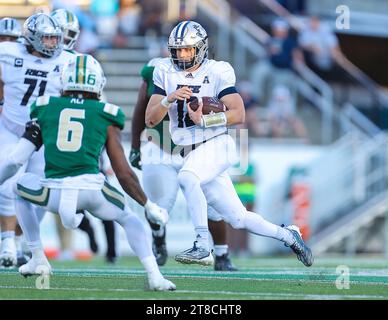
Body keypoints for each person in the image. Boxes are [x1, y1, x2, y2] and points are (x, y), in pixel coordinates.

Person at [0, 54, 175, 291]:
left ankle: (37, 256)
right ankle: (155, 276)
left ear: (64, 80)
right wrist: (148, 205)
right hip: (92, 191)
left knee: (16, 187)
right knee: (129, 219)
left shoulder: (44, 107)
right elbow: (123, 172)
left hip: (52, 194)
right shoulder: (106, 112)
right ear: (97, 83)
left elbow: (16, 160)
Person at [145, 20, 313, 267]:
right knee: (238, 218)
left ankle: (203, 244)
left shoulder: (217, 70)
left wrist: (205, 120)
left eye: (188, 49)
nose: (182, 55)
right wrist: (168, 100)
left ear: (201, 48)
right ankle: (289, 235)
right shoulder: (164, 71)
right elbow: (150, 119)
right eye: (177, 50)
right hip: (191, 152)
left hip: (216, 143)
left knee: (187, 178)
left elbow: (238, 113)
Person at [130, 57, 237, 271]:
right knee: (158, 208)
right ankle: (159, 240)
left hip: (198, 149)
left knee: (215, 207)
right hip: (161, 148)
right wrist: (135, 146)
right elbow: (141, 109)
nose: (184, 54)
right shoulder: (156, 69)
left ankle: (222, 254)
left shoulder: (215, 71)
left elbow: (231, 109)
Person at [0, 13, 74, 268]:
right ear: (31, 38)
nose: (54, 43)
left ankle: (21, 242)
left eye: (56, 38)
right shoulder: (8, 53)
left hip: (45, 135)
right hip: (10, 129)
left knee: (41, 191)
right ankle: (7, 240)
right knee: (7, 181)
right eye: (48, 38)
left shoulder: (68, 61)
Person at [51, 8, 117, 263]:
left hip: (87, 138)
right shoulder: (38, 61)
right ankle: (86, 231)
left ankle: (110, 250)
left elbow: (102, 105)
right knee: (61, 201)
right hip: (56, 139)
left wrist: (108, 158)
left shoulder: (83, 62)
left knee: (105, 198)